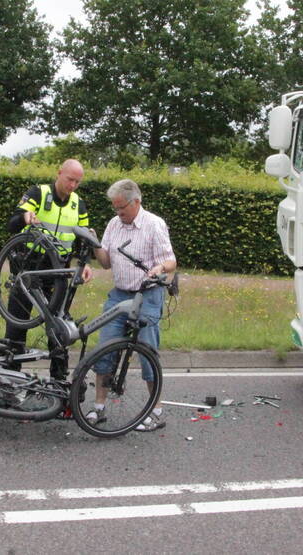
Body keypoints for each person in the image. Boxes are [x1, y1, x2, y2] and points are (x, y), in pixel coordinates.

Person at [90, 179, 176, 432]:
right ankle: (98, 408)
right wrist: (95, 245)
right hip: (119, 295)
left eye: (122, 208)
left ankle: (155, 411)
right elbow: (106, 263)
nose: (118, 213)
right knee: (105, 347)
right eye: (115, 208)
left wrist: (159, 268)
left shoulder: (154, 224)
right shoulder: (113, 225)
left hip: (148, 295)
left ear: (136, 202)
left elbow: (170, 260)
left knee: (147, 350)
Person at [4, 159, 92, 380]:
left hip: (57, 272)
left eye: (77, 182)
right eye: (70, 179)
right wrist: (25, 217)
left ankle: (59, 381)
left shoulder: (78, 204)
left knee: (59, 329)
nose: (72, 185)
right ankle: (10, 380)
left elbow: (83, 239)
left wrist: (86, 262)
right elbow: (12, 223)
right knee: (16, 327)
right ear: (59, 173)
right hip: (30, 269)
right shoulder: (38, 193)